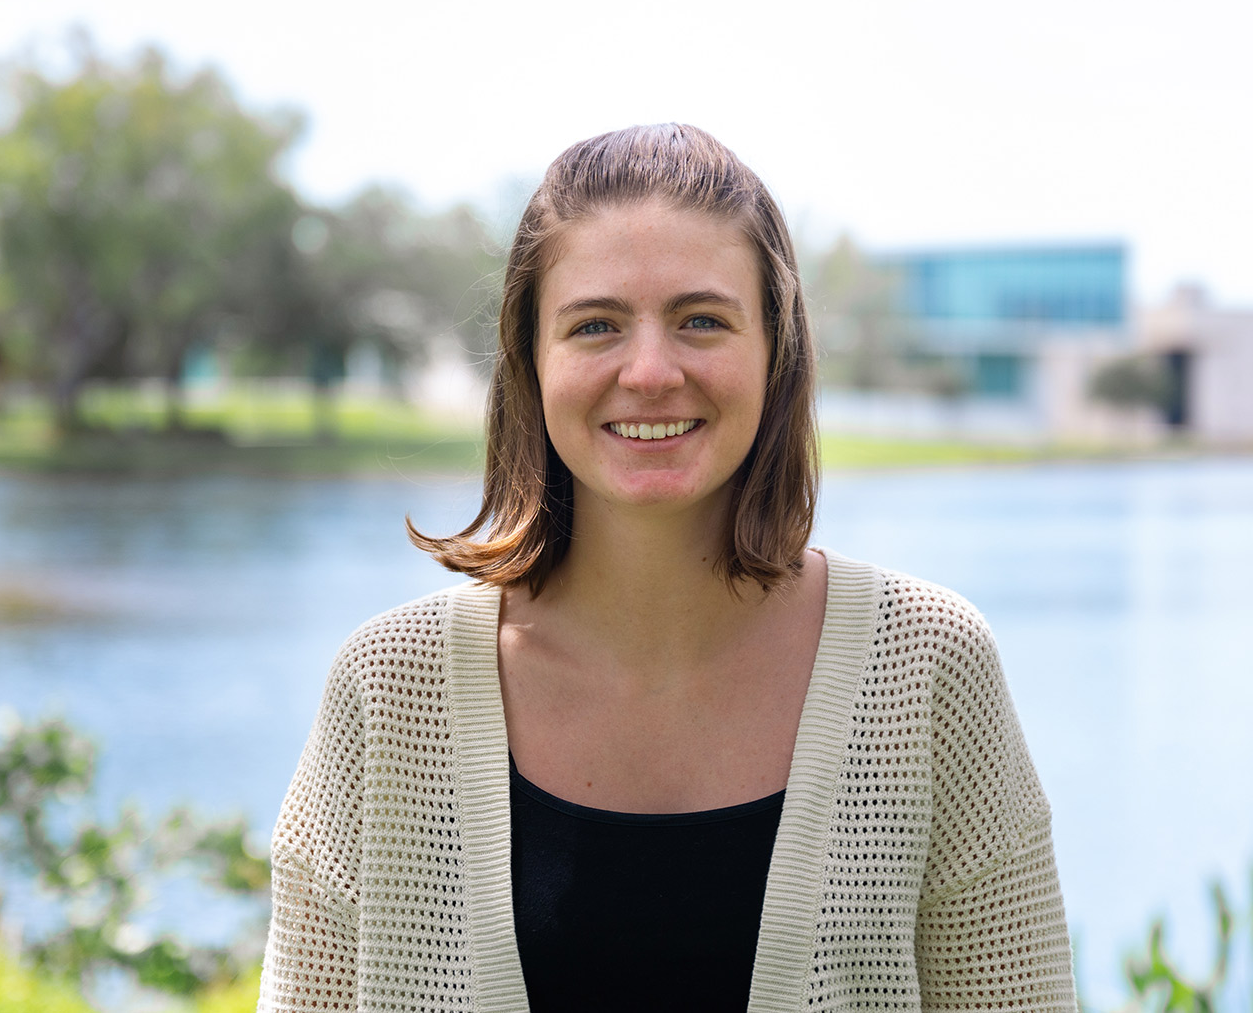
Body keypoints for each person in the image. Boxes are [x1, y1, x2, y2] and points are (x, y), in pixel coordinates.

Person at [256, 124, 1076, 1012]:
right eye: (597, 325)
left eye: (701, 320)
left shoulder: (926, 667)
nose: (650, 371)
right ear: (532, 363)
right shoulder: (390, 690)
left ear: (778, 351)